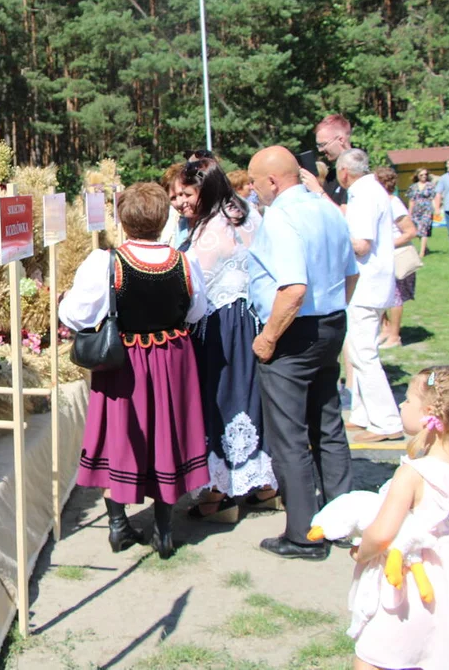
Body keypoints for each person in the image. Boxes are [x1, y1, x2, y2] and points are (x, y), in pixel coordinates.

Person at [59, 182, 210, 559]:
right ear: (163, 219)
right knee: (167, 433)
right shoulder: (184, 261)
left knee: (121, 436)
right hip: (172, 358)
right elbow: (197, 310)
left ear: (123, 220)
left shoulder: (105, 262)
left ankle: (117, 524)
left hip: (125, 361)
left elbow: (74, 315)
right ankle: (163, 529)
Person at [247, 146, 358, 560]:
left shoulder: (281, 216)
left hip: (293, 330)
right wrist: (331, 314)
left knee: (289, 435)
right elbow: (350, 275)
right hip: (329, 322)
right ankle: (342, 518)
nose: (255, 191)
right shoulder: (326, 207)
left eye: (256, 183)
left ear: (272, 181)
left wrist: (269, 338)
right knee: (327, 423)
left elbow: (293, 288)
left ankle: (303, 534)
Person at [349, 365, 449, 670]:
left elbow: (381, 533)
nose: (401, 405)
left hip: (409, 581)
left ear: (429, 412)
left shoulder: (414, 473)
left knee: (374, 656)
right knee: (436, 652)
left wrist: (362, 552)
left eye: (407, 401)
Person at [174, 159, 278, 523]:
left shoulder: (210, 230)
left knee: (219, 399)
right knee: (249, 397)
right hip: (253, 319)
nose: (180, 201)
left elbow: (192, 289)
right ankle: (263, 486)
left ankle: (219, 494)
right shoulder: (246, 212)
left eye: (187, 193)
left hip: (219, 323)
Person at [337, 150, 404, 443]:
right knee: (357, 350)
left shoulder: (363, 194)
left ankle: (387, 421)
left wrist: (334, 237)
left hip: (365, 285)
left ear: (344, 173)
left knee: (364, 354)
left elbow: (361, 245)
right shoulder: (372, 189)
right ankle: (364, 414)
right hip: (371, 284)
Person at [373, 166, 418, 349]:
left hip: (396, 257)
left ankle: (395, 336)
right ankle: (385, 329)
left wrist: (388, 244)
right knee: (382, 294)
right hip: (382, 258)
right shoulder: (378, 202)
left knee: (395, 297)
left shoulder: (394, 203)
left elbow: (410, 232)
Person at [308, 114, 354, 209]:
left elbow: (345, 217)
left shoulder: (356, 174)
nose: (320, 150)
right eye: (318, 146)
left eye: (323, 144)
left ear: (341, 140)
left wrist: (318, 190)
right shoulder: (332, 176)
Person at [407, 168, 436, 257]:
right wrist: (409, 213)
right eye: (421, 175)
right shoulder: (413, 187)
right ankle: (425, 248)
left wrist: (436, 209)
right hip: (416, 210)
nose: (424, 176)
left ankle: (422, 252)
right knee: (419, 230)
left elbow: (434, 198)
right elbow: (411, 200)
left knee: (424, 229)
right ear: (417, 176)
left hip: (427, 210)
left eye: (425, 174)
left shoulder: (430, 186)